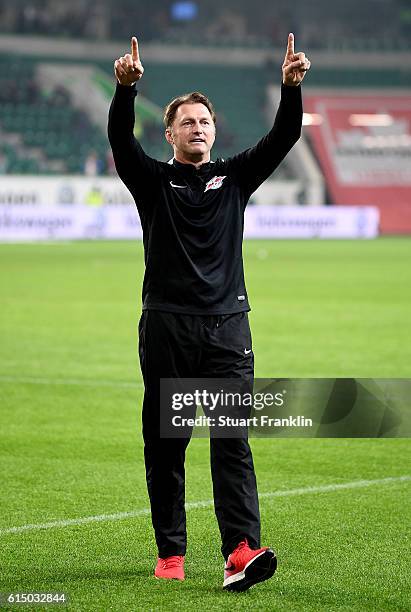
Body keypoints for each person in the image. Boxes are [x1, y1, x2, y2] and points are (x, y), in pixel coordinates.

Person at [108, 33, 310, 592]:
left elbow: (284, 136)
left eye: (205, 121)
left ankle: (241, 550)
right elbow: (121, 144)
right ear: (170, 133)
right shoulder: (154, 182)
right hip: (168, 325)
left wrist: (291, 89)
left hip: (227, 329)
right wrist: (126, 92)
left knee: (232, 441)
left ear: (214, 131)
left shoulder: (236, 178)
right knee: (167, 444)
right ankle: (170, 551)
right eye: (187, 122)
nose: (198, 128)